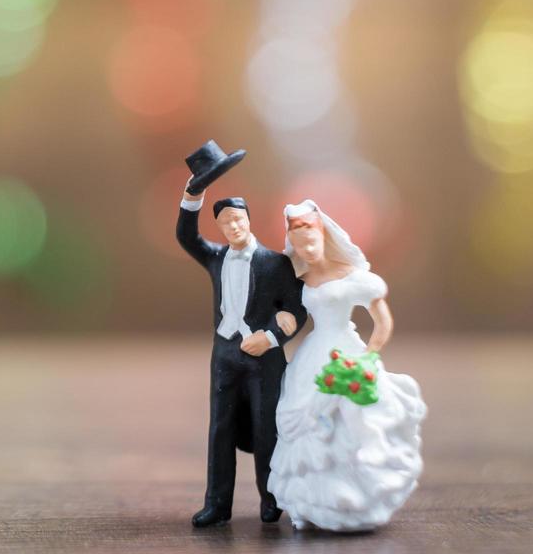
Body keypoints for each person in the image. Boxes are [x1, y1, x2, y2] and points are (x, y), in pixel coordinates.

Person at [267, 199, 427, 532]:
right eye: (300, 245)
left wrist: (368, 355)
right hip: (314, 352)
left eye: (311, 242)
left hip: (346, 349)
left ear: (323, 236)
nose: (308, 250)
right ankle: (311, 501)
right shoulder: (300, 279)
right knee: (304, 418)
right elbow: (289, 312)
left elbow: (381, 322)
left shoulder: (354, 276)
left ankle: (359, 494)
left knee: (354, 416)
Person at [176, 155, 308, 527]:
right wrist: (193, 193)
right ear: (219, 227)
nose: (233, 226)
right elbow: (186, 237)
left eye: (238, 219)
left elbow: (298, 310)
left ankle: (272, 497)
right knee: (220, 429)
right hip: (225, 355)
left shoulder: (275, 263)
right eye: (225, 222)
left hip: (263, 359)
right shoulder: (216, 258)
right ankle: (217, 503)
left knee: (267, 427)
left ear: (249, 220)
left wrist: (270, 337)